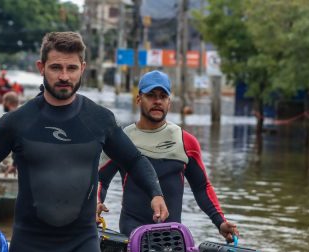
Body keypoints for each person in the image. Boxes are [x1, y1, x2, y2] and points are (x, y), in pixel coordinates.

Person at [0, 32, 169, 252]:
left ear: (82, 68)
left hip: (81, 244)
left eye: (71, 68)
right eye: (56, 67)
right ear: (41, 68)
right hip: (29, 245)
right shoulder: (18, 121)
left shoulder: (99, 120)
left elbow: (134, 160)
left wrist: (155, 193)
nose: (64, 76)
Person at [97, 70, 239, 242]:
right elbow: (100, 180)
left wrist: (220, 222)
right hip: (131, 235)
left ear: (169, 103)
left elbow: (201, 187)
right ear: (138, 99)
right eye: (151, 95)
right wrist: (95, 205)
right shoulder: (121, 140)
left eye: (163, 96)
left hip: (172, 240)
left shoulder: (186, 142)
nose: (157, 101)